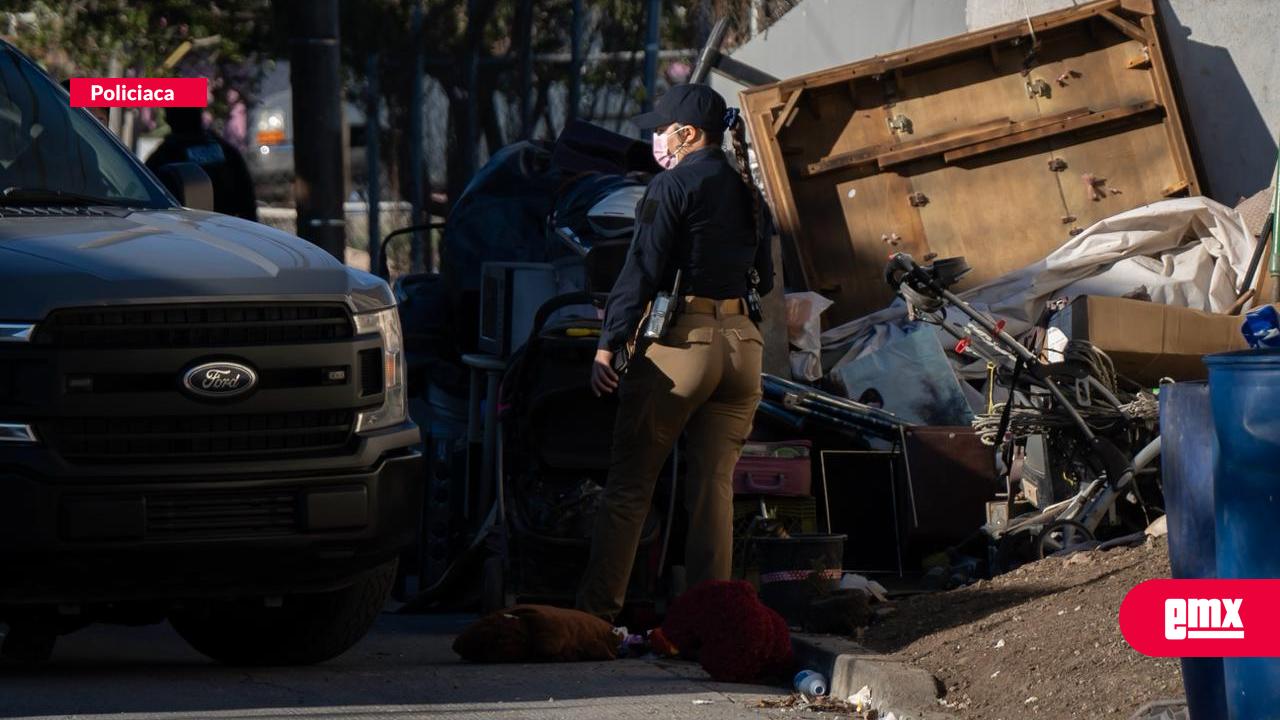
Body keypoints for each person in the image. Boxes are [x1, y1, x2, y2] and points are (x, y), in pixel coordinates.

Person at [576, 84, 774, 621]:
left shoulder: (672, 186)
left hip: (682, 345)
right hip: (743, 349)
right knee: (713, 489)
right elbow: (768, 278)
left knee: (631, 485)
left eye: (662, 129)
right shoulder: (749, 190)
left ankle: (597, 616)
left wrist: (608, 345)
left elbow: (640, 271)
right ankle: (711, 620)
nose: (657, 138)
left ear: (688, 134)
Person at [145, 107, 258, 221]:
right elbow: (248, 202)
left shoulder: (167, 153)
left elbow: (143, 189)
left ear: (170, 118)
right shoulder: (224, 150)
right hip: (224, 227)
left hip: (186, 228)